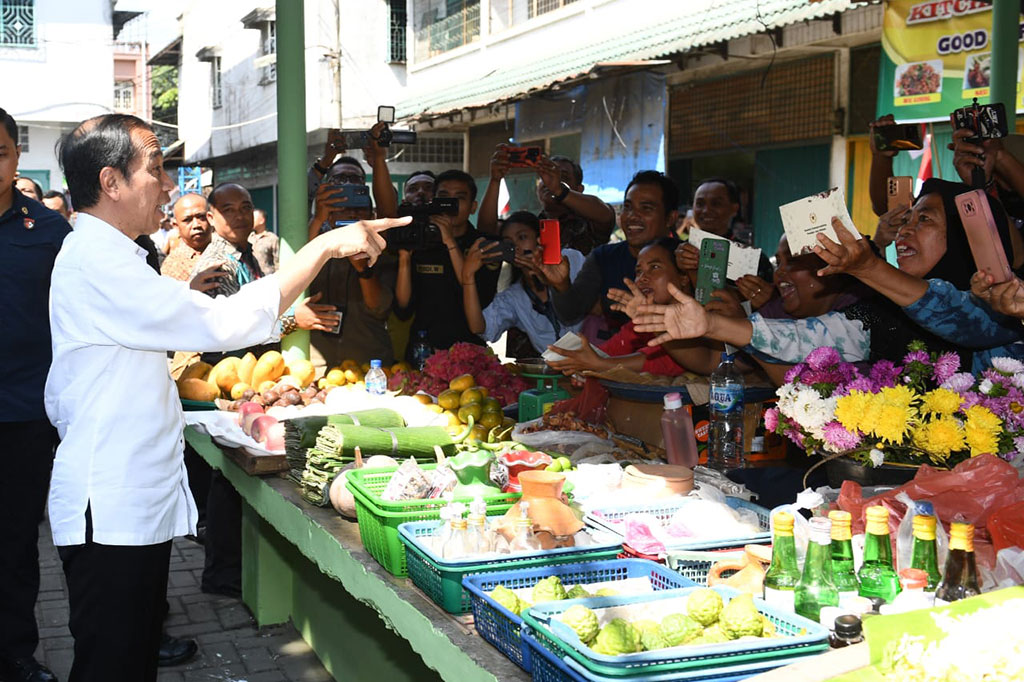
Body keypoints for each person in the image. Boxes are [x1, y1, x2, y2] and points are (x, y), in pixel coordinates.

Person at [45, 112, 408, 682]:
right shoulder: (96, 262)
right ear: (111, 183)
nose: (167, 187)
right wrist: (324, 247)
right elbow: (220, 324)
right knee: (111, 664)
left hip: (126, 497)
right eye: (157, 170)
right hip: (109, 502)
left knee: (130, 657)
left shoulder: (114, 256)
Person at [631, 179, 1014, 371]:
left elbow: (954, 316)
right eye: (905, 219)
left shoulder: (1003, 306)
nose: (906, 230)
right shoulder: (880, 310)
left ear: (966, 238)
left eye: (924, 219)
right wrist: (711, 323)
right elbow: (805, 339)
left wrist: (868, 267)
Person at [0, 106, 70, 682]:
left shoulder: (48, 233)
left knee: (16, 544)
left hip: (23, 415)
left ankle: (16, 654)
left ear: (17, 155)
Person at [547, 238, 723, 377]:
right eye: (639, 271)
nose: (643, 278)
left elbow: (661, 362)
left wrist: (598, 365)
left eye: (655, 267)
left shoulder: (704, 317)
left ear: (684, 277)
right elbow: (606, 353)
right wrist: (580, 362)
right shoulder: (640, 321)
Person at [537, 170, 679, 341]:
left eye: (646, 208)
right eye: (628, 207)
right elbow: (570, 313)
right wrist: (561, 284)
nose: (633, 216)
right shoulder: (604, 257)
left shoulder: (687, 259)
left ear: (670, 218)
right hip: (616, 360)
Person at [395, 169, 501, 358]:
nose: (450, 205)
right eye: (443, 197)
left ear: (473, 207)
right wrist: (404, 258)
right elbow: (403, 307)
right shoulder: (420, 241)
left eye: (459, 198)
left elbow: (478, 295)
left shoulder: (484, 245)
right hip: (423, 350)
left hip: (469, 353)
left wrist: (450, 242)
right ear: (433, 201)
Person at [461, 211, 585, 357]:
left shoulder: (569, 259)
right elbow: (479, 328)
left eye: (522, 237)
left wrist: (559, 283)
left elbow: (594, 306)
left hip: (596, 360)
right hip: (557, 371)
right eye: (509, 243)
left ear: (540, 239)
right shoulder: (514, 296)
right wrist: (468, 276)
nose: (517, 247)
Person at [307, 190, 397, 367]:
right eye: (343, 208)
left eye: (359, 209)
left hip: (369, 366)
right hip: (317, 367)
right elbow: (293, 279)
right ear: (330, 217)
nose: (352, 214)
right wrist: (317, 220)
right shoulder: (315, 250)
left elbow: (380, 308)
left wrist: (363, 269)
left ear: (372, 217)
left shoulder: (384, 254)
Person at [477, 145, 615, 254]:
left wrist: (559, 190)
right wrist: (495, 180)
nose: (550, 181)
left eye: (563, 177)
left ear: (579, 189)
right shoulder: (529, 226)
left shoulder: (588, 221)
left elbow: (605, 214)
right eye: (545, 175)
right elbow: (486, 231)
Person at [161, 192, 213, 282]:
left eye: (201, 217)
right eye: (187, 220)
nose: (196, 225)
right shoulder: (172, 266)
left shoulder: (231, 251)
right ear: (176, 226)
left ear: (211, 218)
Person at [248, 208, 279, 274]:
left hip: (267, 279)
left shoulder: (272, 238)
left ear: (262, 220)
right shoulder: (249, 237)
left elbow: (277, 261)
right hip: (251, 278)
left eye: (253, 218)